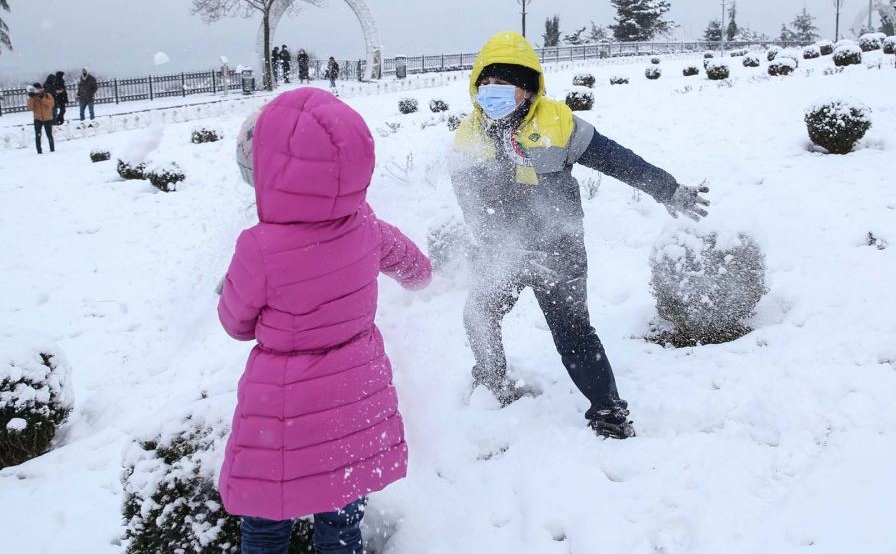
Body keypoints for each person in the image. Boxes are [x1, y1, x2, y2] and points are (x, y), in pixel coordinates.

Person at [450, 32, 710, 440]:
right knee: (479, 314)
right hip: (504, 250)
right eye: (486, 84)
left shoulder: (558, 122)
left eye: (504, 85)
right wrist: (499, 246)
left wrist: (666, 188)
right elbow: (471, 204)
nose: (492, 92)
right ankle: (492, 380)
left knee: (573, 333)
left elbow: (617, 159)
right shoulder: (469, 136)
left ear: (528, 87)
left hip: (559, 251)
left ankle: (608, 412)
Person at [217, 87, 432, 554]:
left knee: (266, 525)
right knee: (341, 524)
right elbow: (417, 269)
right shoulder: (366, 224)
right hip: (356, 398)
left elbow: (234, 322)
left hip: (283, 410)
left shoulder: (258, 247)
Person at [27, 83, 56, 154]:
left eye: (38, 89)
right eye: (36, 89)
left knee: (49, 134)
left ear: (41, 88)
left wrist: (43, 98)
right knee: (38, 135)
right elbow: (30, 107)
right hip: (38, 118)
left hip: (47, 118)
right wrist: (31, 98)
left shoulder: (47, 95)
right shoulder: (33, 97)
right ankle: (39, 151)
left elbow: (51, 104)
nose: (37, 90)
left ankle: (52, 149)